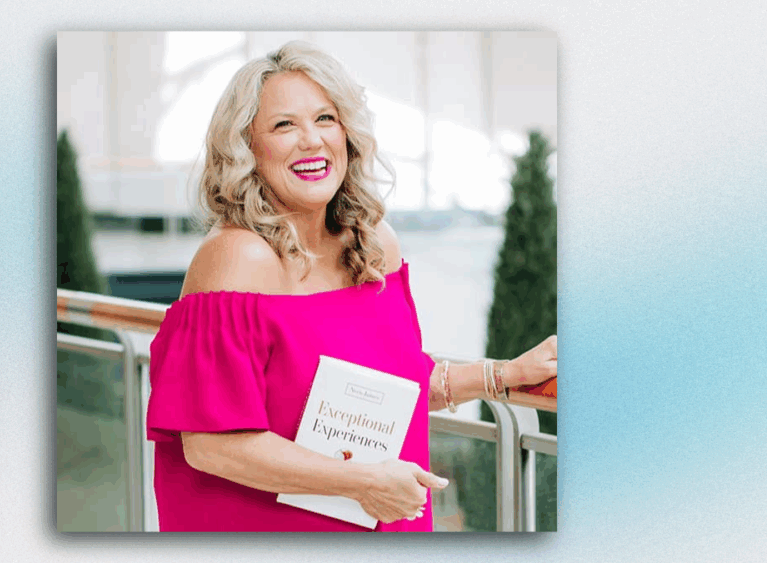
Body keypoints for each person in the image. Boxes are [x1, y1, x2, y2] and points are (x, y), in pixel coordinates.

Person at [145, 41, 558, 532]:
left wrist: (505, 374)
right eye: (284, 125)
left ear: (348, 134)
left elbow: (390, 390)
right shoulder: (238, 256)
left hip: (377, 516)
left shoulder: (374, 244)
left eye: (326, 119)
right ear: (247, 149)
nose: (312, 140)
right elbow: (212, 442)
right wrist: (361, 482)